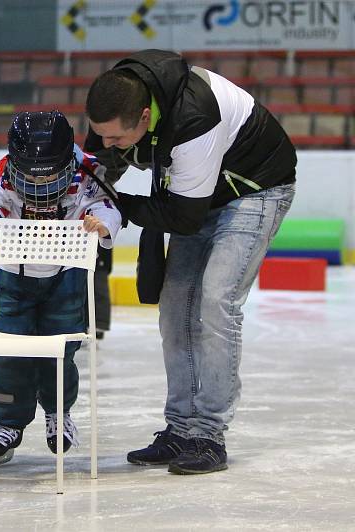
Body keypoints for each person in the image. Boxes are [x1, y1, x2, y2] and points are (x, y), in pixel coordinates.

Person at [84, 49, 296, 474]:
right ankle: (180, 428)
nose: (105, 145)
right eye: (99, 136)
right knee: (175, 305)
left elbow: (182, 217)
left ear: (145, 117)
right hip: (198, 193)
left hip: (254, 191)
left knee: (216, 301)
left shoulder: (194, 118)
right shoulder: (114, 106)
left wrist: (119, 206)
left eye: (115, 140)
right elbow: (97, 174)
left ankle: (208, 435)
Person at [0, 111, 122, 466]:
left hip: (66, 277)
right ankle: (6, 423)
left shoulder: (89, 172)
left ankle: (59, 413)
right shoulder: (3, 170)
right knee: (9, 352)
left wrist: (103, 223)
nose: (43, 182)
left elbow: (108, 205)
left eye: (52, 174)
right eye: (34, 176)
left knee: (61, 349)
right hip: (13, 276)